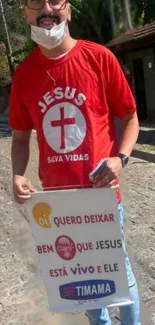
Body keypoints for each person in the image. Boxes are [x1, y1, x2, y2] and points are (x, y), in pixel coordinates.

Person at [9, 1, 140, 324]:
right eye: (36, 2)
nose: (47, 9)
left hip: (102, 196)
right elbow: (21, 138)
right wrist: (17, 175)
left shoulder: (99, 58)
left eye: (55, 1)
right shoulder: (24, 75)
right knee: (79, 278)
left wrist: (120, 158)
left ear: (69, 9)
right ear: (25, 12)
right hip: (58, 206)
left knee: (118, 273)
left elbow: (131, 117)